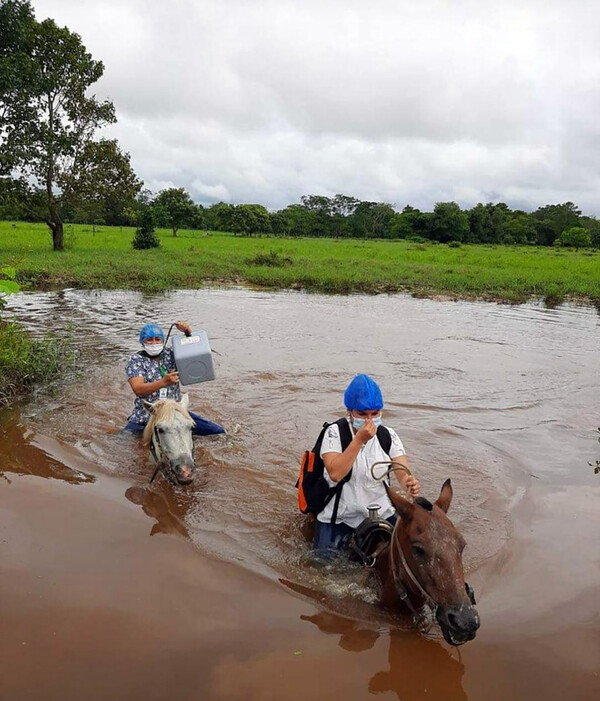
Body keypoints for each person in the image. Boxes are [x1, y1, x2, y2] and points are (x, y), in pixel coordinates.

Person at [314, 374, 420, 554]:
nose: (369, 420)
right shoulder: (334, 433)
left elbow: (402, 473)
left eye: (374, 414)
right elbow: (335, 473)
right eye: (362, 414)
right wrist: (359, 440)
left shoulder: (388, 436)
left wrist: (410, 482)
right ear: (349, 412)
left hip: (381, 513)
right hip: (340, 516)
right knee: (323, 567)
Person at [124, 321, 225, 435]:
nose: (154, 343)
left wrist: (187, 332)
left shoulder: (171, 353)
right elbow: (138, 389)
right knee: (123, 441)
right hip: (146, 416)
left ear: (163, 340)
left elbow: (194, 348)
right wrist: (163, 382)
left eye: (157, 339)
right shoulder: (135, 360)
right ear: (142, 342)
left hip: (175, 413)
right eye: (149, 340)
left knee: (217, 432)